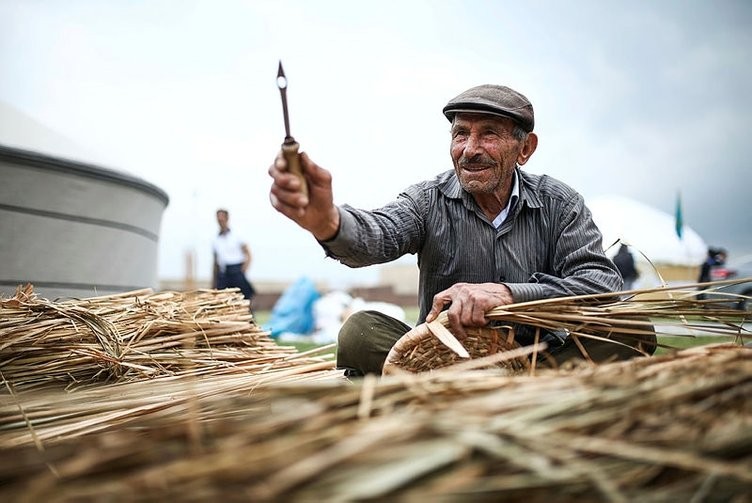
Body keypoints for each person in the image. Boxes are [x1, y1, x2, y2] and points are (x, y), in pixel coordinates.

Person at [268, 83, 654, 376]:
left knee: (632, 328)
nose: (470, 148)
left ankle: (501, 397)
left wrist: (507, 294)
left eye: (488, 133)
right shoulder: (428, 200)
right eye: (460, 134)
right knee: (360, 331)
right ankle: (475, 396)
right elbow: (379, 233)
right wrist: (327, 221)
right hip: (442, 363)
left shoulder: (559, 203)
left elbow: (601, 285)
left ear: (525, 149)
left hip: (537, 365)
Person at [212, 208, 256, 306]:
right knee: (222, 302)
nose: (220, 221)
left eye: (222, 218)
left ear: (227, 218)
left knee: (244, 301)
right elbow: (215, 262)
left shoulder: (237, 235)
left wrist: (243, 270)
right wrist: (214, 281)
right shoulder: (216, 240)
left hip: (237, 271)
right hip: (224, 273)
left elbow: (248, 254)